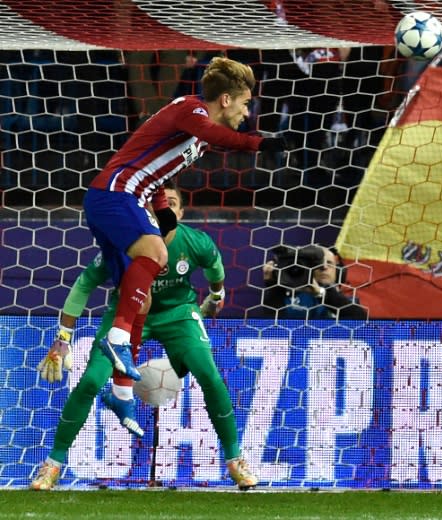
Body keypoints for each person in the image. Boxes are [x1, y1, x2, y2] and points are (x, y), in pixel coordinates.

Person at [31, 182, 257, 491]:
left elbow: (215, 268)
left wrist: (216, 296)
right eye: (156, 205)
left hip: (178, 312)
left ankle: (235, 460)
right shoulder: (128, 244)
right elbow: (84, 284)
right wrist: (63, 337)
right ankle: (53, 464)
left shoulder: (195, 242)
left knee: (210, 376)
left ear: (180, 211)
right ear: (146, 211)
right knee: (90, 382)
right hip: (128, 312)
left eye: (172, 203)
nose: (164, 209)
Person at [82, 56, 282, 383]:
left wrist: (163, 212)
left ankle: (121, 393)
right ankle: (116, 339)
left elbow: (161, 172)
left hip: (123, 195)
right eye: (245, 104)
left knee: (141, 300)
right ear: (226, 99)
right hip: (119, 191)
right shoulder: (193, 111)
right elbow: (215, 136)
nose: (247, 113)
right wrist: (258, 143)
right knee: (157, 255)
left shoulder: (199, 138)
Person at [262, 245, 368, 320]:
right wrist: (274, 287)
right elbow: (271, 324)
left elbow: (360, 321)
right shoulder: (290, 300)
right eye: (318, 263)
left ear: (340, 271)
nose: (324, 267)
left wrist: (321, 293)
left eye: (329, 263)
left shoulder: (347, 302)